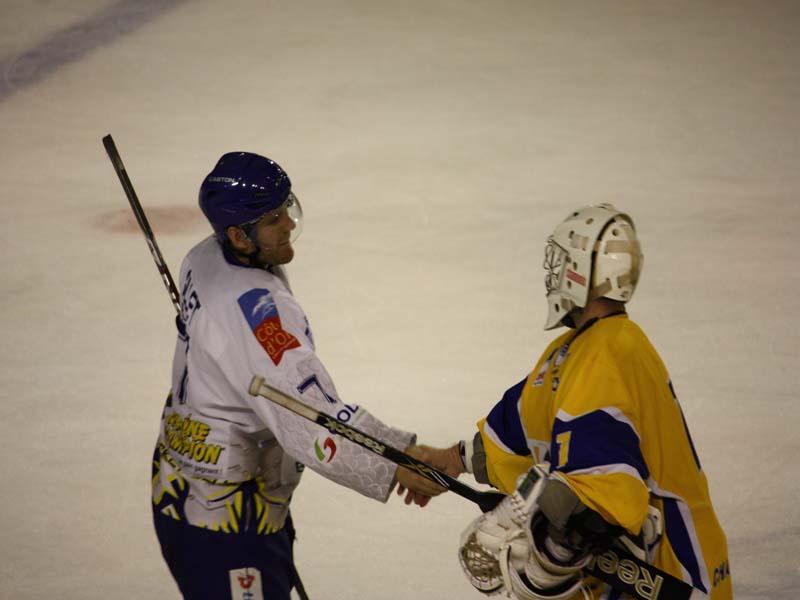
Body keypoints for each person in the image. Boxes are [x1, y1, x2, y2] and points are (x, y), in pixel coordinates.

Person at [150, 151, 444, 600]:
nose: (288, 223)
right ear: (239, 236)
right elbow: (308, 415)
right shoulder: (260, 315)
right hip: (227, 523)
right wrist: (399, 460)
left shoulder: (203, 257)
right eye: (272, 219)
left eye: (287, 207)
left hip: (181, 492)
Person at [420, 204, 732, 599]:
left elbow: (593, 508)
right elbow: (521, 427)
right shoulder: (571, 352)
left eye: (562, 261)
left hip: (675, 570)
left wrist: (543, 560)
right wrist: (449, 461)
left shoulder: (609, 357)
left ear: (579, 273)